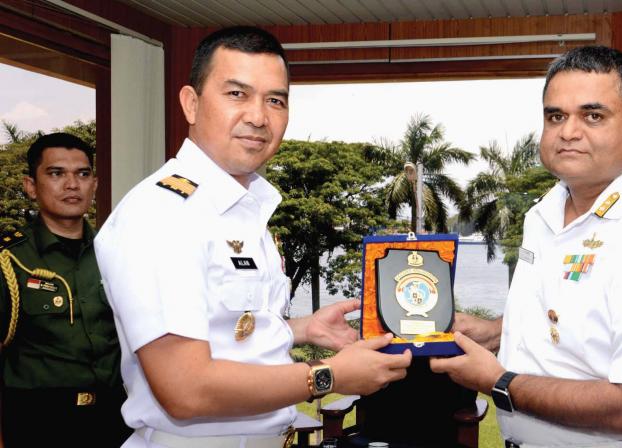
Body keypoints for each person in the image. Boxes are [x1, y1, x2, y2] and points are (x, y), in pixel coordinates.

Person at [94, 26, 411, 447]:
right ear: (191, 103)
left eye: (275, 100)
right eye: (237, 94)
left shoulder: (244, 207)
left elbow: (227, 328)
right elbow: (185, 389)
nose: (259, 117)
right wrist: (328, 375)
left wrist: (299, 329)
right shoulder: (164, 214)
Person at [430, 46, 622, 448]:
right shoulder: (545, 213)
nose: (568, 132)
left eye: (593, 115)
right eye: (556, 116)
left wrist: (498, 382)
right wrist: (496, 333)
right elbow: (570, 321)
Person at [0, 133, 129, 447]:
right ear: (31, 186)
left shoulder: (119, 254)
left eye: (82, 174)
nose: (72, 185)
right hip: (37, 424)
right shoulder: (12, 259)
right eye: (56, 174)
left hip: (114, 422)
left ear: (94, 184)